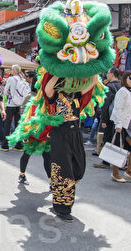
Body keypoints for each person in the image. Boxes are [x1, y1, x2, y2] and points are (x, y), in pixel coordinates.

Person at [44, 73, 98, 221]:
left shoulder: (77, 94)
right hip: (60, 132)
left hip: (75, 132)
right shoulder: (55, 94)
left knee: (79, 168)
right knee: (63, 169)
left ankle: (61, 192)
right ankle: (62, 207)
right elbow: (47, 89)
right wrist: (58, 71)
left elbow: (93, 81)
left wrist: (95, 66)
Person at [18, 71, 51, 185]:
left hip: (44, 131)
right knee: (27, 153)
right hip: (31, 131)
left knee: (47, 156)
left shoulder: (47, 98)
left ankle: (51, 181)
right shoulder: (30, 97)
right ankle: (22, 174)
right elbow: (22, 112)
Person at [109, 71, 131, 183]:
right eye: (130, 78)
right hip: (122, 124)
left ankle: (129, 171)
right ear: (125, 79)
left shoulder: (130, 91)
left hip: (128, 124)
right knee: (119, 149)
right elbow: (118, 109)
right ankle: (115, 173)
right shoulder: (122, 92)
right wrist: (118, 125)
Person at [94, 67, 121, 169]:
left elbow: (106, 104)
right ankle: (117, 162)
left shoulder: (109, 86)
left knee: (107, 138)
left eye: (108, 73)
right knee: (117, 139)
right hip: (119, 117)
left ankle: (106, 162)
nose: (107, 75)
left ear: (112, 74)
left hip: (110, 117)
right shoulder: (122, 85)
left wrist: (104, 119)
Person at [0, 65, 26, 151]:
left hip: (11, 104)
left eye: (11, 69)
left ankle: (5, 145)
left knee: (7, 125)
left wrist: (9, 91)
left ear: (14, 70)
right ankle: (19, 145)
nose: (10, 70)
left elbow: (5, 93)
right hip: (19, 105)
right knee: (18, 124)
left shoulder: (11, 79)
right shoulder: (22, 79)